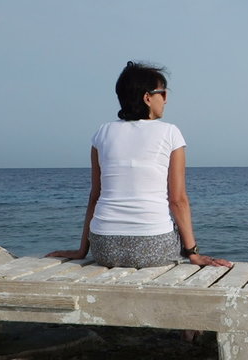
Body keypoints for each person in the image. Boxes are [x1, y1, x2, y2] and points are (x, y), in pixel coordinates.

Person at [47, 61, 231, 271]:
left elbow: (95, 196)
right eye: (163, 93)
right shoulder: (170, 133)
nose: (166, 99)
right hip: (152, 247)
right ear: (147, 98)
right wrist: (193, 253)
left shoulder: (102, 133)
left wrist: (82, 251)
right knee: (173, 237)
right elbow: (178, 200)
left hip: (104, 248)